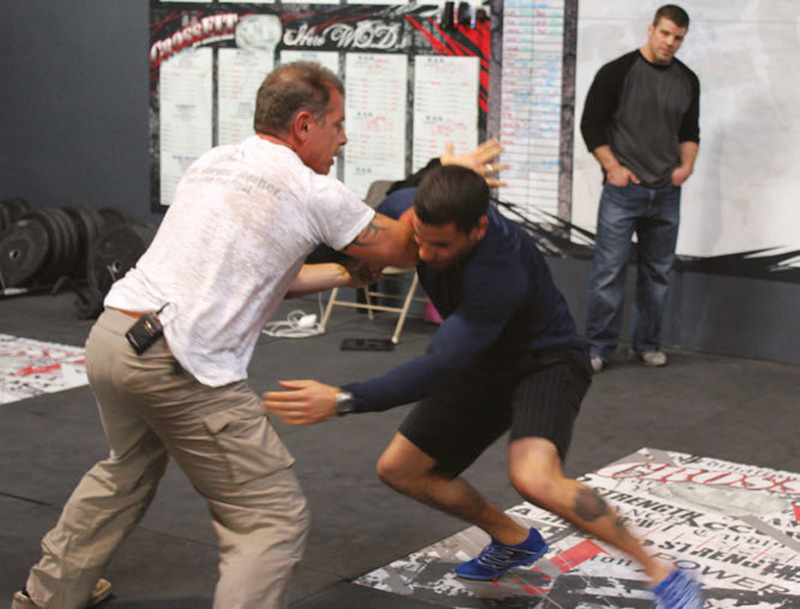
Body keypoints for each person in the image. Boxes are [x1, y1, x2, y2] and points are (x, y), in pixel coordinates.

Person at [11, 61, 500, 609]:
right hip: (177, 362)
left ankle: (49, 595)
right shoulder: (312, 188)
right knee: (270, 519)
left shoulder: (215, 162)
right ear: (303, 126)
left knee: (126, 467)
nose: (345, 136)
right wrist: (448, 178)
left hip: (113, 338)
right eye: (337, 124)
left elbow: (273, 274)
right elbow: (407, 249)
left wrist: (345, 271)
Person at [263, 164, 704, 608]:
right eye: (419, 238)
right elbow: (355, 226)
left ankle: (663, 573)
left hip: (543, 360)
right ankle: (513, 539)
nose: (426, 254)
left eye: (441, 245)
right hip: (484, 360)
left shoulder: (499, 265)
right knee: (400, 469)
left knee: (534, 478)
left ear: (477, 228)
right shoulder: (404, 209)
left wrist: (344, 399)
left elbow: (440, 366)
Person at [580, 4, 700, 373]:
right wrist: (613, 168)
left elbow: (689, 132)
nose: (670, 43)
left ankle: (646, 344)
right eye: (665, 34)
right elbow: (591, 126)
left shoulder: (688, 80)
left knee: (658, 273)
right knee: (609, 272)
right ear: (651, 30)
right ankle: (598, 348)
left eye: (678, 38)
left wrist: (686, 168)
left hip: (666, 192)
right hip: (623, 191)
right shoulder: (617, 72)